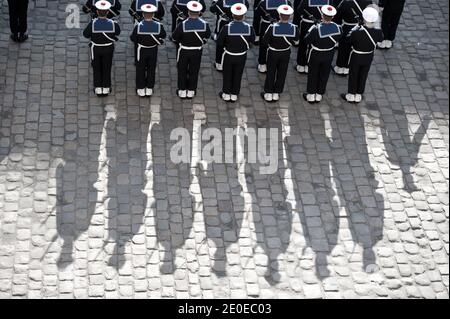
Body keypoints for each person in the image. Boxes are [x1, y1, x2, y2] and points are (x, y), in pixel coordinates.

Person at [341, 7, 383, 103]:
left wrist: (356, 27)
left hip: (356, 56)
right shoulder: (378, 32)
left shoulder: (357, 32)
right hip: (368, 56)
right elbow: (380, 39)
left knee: (354, 74)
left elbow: (348, 39)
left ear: (364, 19)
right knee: (363, 75)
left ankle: (351, 95)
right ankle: (358, 94)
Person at [172, 1, 211, 99]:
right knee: (194, 70)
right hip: (197, 51)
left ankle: (182, 90)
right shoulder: (205, 24)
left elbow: (174, 37)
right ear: (199, 12)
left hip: (184, 51)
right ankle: (191, 91)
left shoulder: (182, 24)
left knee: (182, 70)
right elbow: (207, 36)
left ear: (188, 12)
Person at [303, 5, 342, 103]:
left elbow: (306, 40)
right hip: (329, 54)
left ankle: (311, 95)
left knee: (313, 74)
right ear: (332, 17)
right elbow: (339, 37)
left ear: (322, 15)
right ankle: (319, 94)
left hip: (316, 54)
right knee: (324, 74)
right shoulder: (338, 28)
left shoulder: (316, 29)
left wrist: (314, 27)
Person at [217, 3, 256, 102]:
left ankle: (226, 93)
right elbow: (252, 39)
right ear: (244, 16)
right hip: (241, 56)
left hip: (229, 55)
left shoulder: (226, 28)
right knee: (238, 74)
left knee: (227, 74)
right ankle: (234, 94)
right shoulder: (249, 28)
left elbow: (220, 42)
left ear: (233, 15)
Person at [261, 5, 300, 102]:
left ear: (279, 15)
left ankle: (268, 93)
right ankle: (276, 93)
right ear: (290, 16)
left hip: (273, 53)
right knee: (282, 73)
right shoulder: (294, 28)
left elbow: (264, 41)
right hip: (286, 53)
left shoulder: (272, 27)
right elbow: (296, 41)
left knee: (271, 72)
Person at [83, 1, 121, 96]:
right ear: (108, 12)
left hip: (96, 48)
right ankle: (106, 87)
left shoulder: (93, 24)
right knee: (107, 67)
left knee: (96, 67)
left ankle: (98, 88)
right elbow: (118, 32)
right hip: (108, 48)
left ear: (97, 11)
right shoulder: (113, 24)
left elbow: (85, 34)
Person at [130, 3, 167, 97]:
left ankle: (141, 88)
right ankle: (149, 88)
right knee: (151, 69)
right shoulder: (159, 26)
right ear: (153, 14)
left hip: (141, 50)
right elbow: (163, 35)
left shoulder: (138, 26)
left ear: (142, 14)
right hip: (153, 50)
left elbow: (133, 38)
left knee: (140, 69)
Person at [333, 0, 372, 76]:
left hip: (347, 28)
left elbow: (337, 17)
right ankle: (348, 66)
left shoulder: (345, 2)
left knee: (343, 48)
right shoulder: (368, 1)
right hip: (360, 29)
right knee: (353, 48)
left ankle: (340, 67)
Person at [295, 0, 332, 74]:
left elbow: (299, 10)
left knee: (303, 44)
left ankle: (301, 65)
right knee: (315, 44)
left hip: (306, 24)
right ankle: (310, 65)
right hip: (320, 25)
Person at [211, 0, 250, 71]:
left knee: (220, 44)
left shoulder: (220, 2)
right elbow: (245, 9)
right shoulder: (244, 2)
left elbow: (212, 9)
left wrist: (214, 2)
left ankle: (219, 64)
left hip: (223, 25)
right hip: (238, 26)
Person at [256, 0, 291, 73]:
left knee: (263, 45)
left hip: (266, 25)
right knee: (277, 44)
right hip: (281, 27)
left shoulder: (263, 3)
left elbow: (257, 16)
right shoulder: (288, 3)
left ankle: (262, 64)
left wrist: (257, 32)